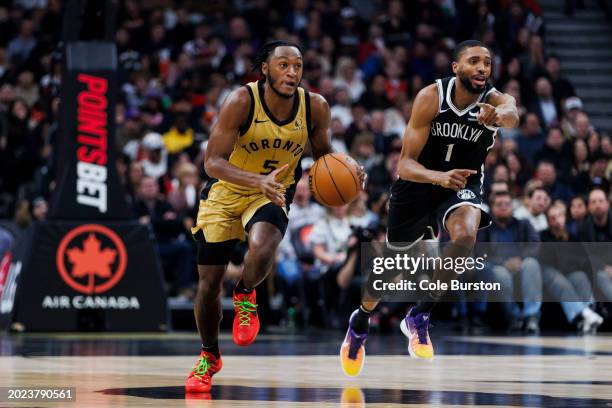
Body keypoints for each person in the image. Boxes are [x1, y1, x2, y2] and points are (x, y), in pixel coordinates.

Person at [185, 41, 363, 393]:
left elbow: (326, 156)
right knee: (207, 287)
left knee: (264, 245)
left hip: (272, 194)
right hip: (226, 192)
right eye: (283, 65)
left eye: (297, 66)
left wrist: (351, 171)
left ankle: (246, 293)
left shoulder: (315, 107)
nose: (292, 72)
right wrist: (256, 181)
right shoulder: (241, 101)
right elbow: (212, 163)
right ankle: (209, 355)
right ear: (265, 68)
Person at [340, 40, 519, 376]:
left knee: (465, 236)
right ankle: (360, 320)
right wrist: (438, 177)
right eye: (474, 61)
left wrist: (501, 115)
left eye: (488, 63)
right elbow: (404, 165)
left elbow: (512, 112)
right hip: (418, 185)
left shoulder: (494, 100)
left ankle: (420, 315)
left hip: (462, 184)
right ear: (456, 67)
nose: (482, 68)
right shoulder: (430, 97)